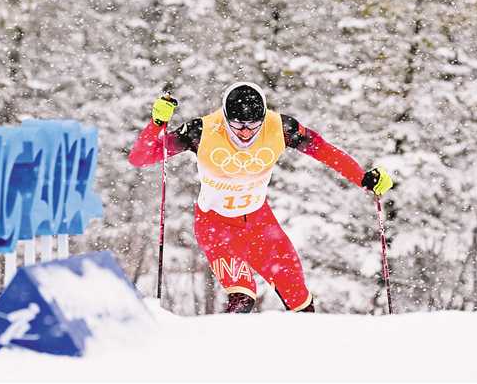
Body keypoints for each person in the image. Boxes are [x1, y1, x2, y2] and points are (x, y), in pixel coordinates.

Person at [128, 82, 393, 313]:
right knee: (243, 297)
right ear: (225, 116)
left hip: (259, 224)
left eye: (253, 125)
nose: (245, 132)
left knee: (301, 301)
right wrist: (157, 124)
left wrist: (362, 177)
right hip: (216, 227)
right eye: (238, 124)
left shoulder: (281, 127)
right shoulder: (201, 131)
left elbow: (322, 150)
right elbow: (141, 157)